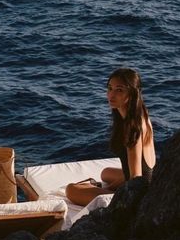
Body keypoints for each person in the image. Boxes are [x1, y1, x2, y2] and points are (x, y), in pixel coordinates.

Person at [66, 68, 156, 206]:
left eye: (119, 90)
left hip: (139, 192)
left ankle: (100, 190)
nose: (111, 95)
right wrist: (106, 188)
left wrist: (111, 194)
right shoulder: (141, 114)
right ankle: (101, 188)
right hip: (149, 178)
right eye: (110, 88)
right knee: (105, 173)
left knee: (71, 190)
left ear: (132, 94)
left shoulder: (132, 128)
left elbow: (136, 178)